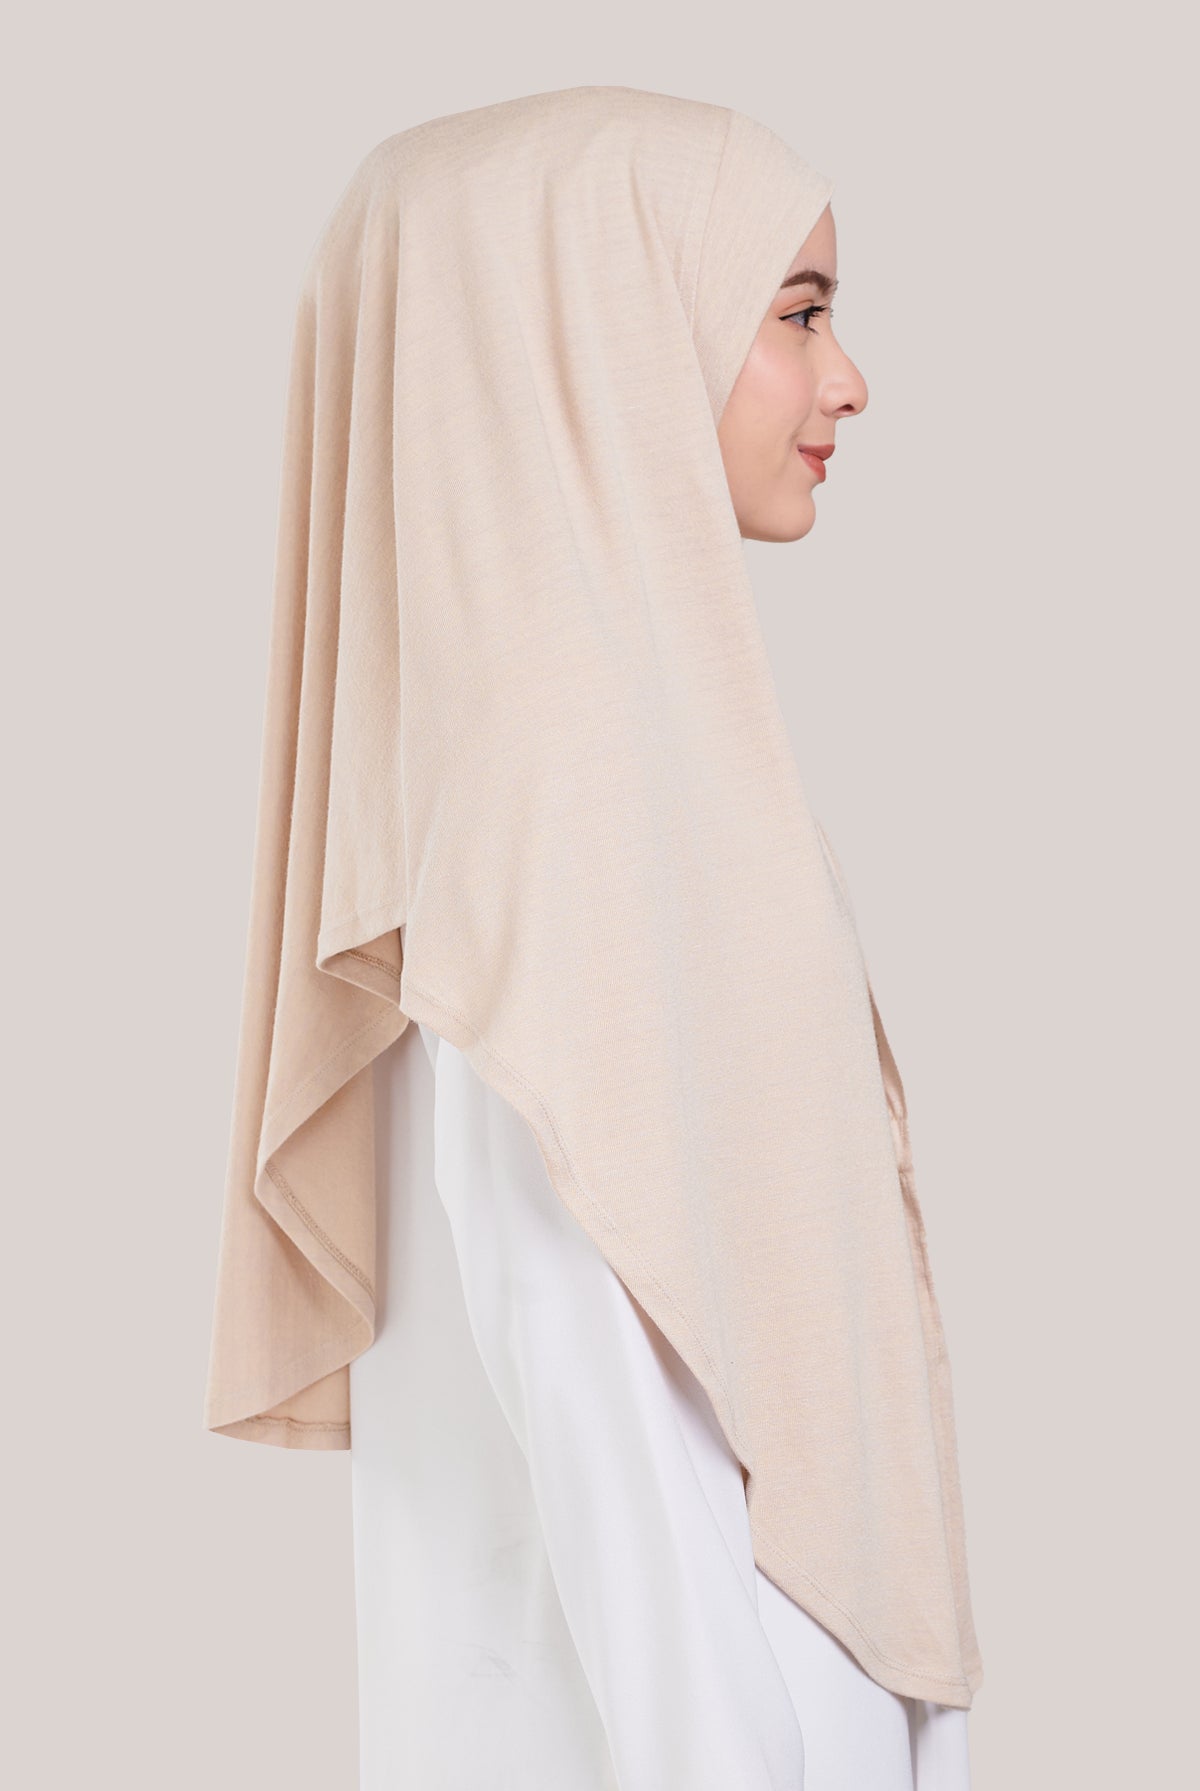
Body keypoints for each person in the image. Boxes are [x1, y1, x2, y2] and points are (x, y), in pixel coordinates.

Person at [204, 83, 983, 1791]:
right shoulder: (561, 791)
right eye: (796, 313)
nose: (848, 379)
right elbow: (585, 1363)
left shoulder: (589, 764)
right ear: (602, 329)